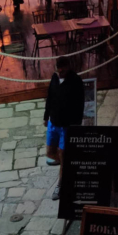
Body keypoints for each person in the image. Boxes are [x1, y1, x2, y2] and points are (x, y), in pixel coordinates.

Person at [43, 55, 84, 200]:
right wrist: (46, 116)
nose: (60, 74)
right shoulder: (54, 78)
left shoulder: (76, 81)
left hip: (67, 126)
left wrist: (75, 126)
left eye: (63, 71)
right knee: (50, 153)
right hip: (53, 123)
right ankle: (68, 166)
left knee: (63, 154)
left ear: (68, 68)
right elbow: (50, 97)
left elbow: (80, 105)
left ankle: (61, 184)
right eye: (58, 71)